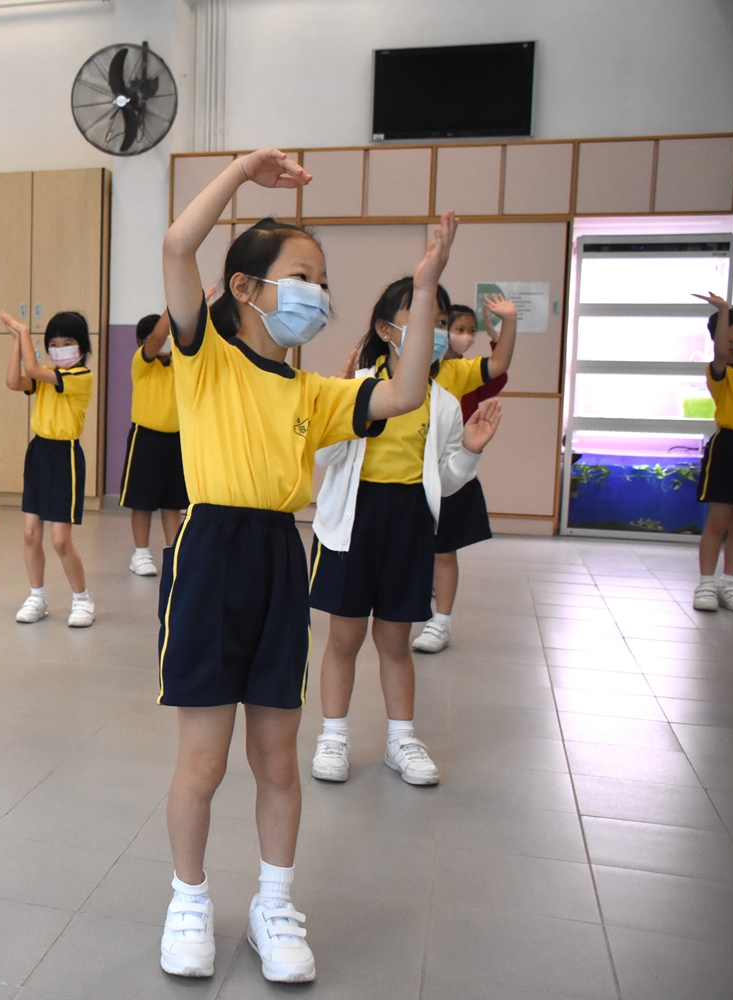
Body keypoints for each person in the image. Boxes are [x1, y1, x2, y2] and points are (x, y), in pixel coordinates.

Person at [157, 146, 459, 985]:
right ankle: (189, 899)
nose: (318, 293)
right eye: (302, 276)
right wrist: (241, 174)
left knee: (276, 759)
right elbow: (178, 245)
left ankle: (274, 904)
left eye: (323, 281)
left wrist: (424, 290)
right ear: (245, 287)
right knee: (204, 761)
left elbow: (403, 393)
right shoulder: (204, 357)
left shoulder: (311, 392)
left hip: (279, 561)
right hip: (210, 554)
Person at [309, 278, 506, 790]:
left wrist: (472, 450)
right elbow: (324, 457)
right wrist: (335, 411)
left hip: (410, 523)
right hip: (352, 521)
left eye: (439, 323)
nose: (433, 332)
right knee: (344, 638)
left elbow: (447, 479)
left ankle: (401, 739)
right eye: (420, 320)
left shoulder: (442, 403)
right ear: (385, 329)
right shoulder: (357, 387)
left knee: (395, 641)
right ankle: (333, 736)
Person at [414, 300, 512, 652]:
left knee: (443, 551)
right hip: (411, 475)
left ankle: (440, 622)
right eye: (457, 328)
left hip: (451, 473)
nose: (464, 336)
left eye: (470, 330)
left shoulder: (459, 372)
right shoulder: (402, 373)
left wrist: (506, 326)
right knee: (415, 549)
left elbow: (498, 370)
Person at [2, 309, 96, 626]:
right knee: (30, 533)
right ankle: (37, 596)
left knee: (60, 540)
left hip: (65, 455)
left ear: (81, 346)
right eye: (53, 345)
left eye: (67, 343)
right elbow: (14, 380)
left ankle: (82, 599)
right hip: (38, 452)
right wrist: (17, 341)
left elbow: (32, 368)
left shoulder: (80, 376)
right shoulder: (48, 375)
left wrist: (24, 332)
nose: (59, 350)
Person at [120, 312, 188, 576]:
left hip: (176, 440)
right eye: (161, 337)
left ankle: (174, 553)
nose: (165, 340)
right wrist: (174, 308)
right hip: (146, 438)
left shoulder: (179, 363)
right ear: (142, 342)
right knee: (142, 501)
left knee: (172, 503)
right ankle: (140, 554)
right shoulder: (142, 363)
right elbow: (157, 336)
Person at [694, 294, 733, 611]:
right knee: (718, 521)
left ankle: (731, 583)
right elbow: (722, 350)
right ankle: (706, 584)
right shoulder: (720, 370)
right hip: (728, 447)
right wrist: (724, 310)